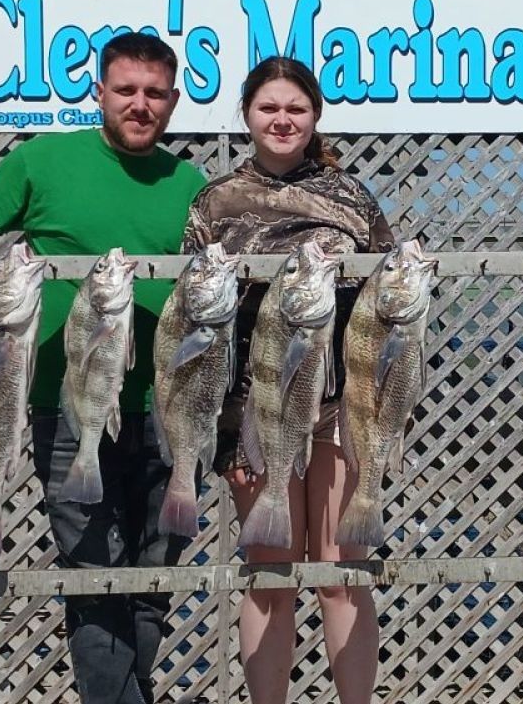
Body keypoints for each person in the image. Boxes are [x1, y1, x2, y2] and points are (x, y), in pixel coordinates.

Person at [0, 31, 207, 704]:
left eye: (155, 93)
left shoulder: (190, 185)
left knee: (153, 581)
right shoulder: (43, 159)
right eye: (126, 90)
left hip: (170, 412)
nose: (140, 104)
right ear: (99, 91)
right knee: (93, 576)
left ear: (175, 100)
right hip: (65, 410)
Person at [182, 55, 395, 704]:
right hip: (255, 410)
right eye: (269, 107)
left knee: (340, 570)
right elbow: (197, 326)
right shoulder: (215, 202)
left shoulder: (352, 197)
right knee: (270, 573)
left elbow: (387, 307)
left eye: (295, 107)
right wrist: (220, 431)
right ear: (247, 114)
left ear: (314, 116)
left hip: (339, 406)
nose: (282, 118)